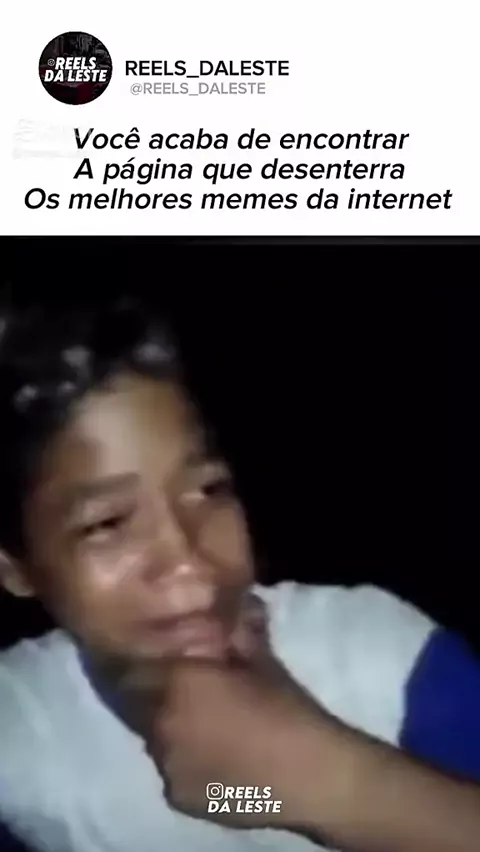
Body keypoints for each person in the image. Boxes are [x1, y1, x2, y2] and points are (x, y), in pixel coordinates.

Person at [0, 297, 479, 852]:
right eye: (108, 523)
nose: (189, 560)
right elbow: (233, 804)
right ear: (16, 567)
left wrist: (333, 782)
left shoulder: (376, 660)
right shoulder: (20, 737)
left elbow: (258, 803)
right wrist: (277, 797)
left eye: (209, 489)